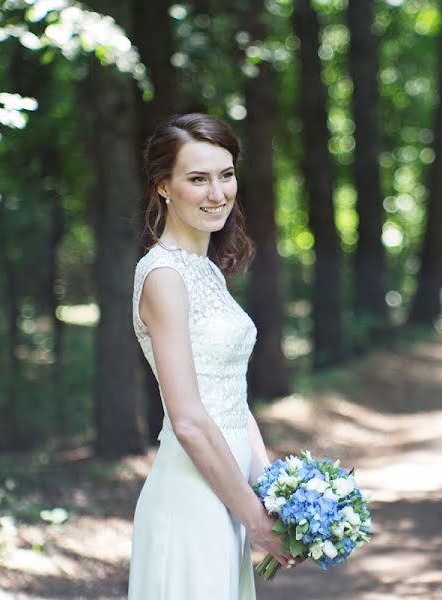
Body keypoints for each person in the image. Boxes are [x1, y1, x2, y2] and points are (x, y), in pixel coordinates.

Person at [128, 113, 293, 599]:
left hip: (229, 491)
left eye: (226, 175)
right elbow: (190, 420)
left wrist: (275, 492)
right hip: (191, 496)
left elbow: (230, 398)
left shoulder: (206, 272)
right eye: (197, 179)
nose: (217, 193)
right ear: (163, 185)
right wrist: (254, 519)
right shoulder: (163, 276)